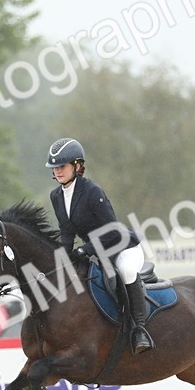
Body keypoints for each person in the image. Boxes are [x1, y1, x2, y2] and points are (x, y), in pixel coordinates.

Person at [45, 137, 154, 354]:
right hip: (98, 251)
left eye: (62, 166)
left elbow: (112, 230)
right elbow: (66, 233)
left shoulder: (92, 191)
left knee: (126, 270)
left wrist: (84, 250)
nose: (57, 171)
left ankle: (139, 329)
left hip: (122, 246)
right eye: (55, 167)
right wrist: (60, 260)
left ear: (77, 165)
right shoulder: (56, 196)